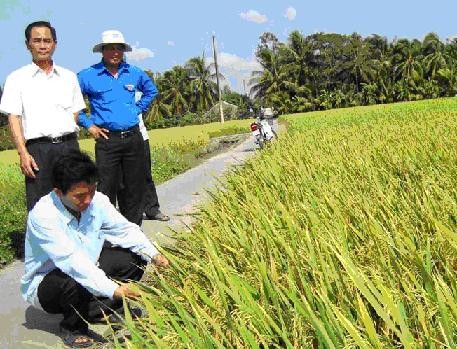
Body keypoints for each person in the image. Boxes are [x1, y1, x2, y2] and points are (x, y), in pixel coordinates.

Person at [21, 150, 169, 347]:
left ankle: (100, 309)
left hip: (89, 264)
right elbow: (71, 262)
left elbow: (124, 230)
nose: (88, 200)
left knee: (134, 259)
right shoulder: (43, 215)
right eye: (80, 196)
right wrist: (114, 289)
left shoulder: (96, 200)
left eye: (92, 191)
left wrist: (154, 254)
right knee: (71, 281)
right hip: (50, 281)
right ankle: (73, 328)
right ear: (59, 192)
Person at [0, 21, 85, 211]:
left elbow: (76, 110)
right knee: (41, 207)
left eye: (47, 40)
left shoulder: (68, 76)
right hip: (39, 150)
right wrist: (23, 153)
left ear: (55, 43)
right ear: (27, 44)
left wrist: (65, 137)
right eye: (37, 40)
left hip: (69, 146)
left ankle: (76, 240)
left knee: (75, 200)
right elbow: (14, 117)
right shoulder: (16, 78)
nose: (43, 45)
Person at [77, 30, 158, 226]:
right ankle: (105, 233)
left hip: (133, 138)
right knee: (106, 188)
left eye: (119, 48)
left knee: (133, 187)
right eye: (110, 48)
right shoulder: (88, 75)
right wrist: (89, 125)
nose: (115, 52)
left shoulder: (134, 72)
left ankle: (132, 231)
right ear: (102, 51)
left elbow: (151, 90)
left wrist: (136, 110)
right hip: (107, 140)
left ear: (123, 51)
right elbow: (72, 103)